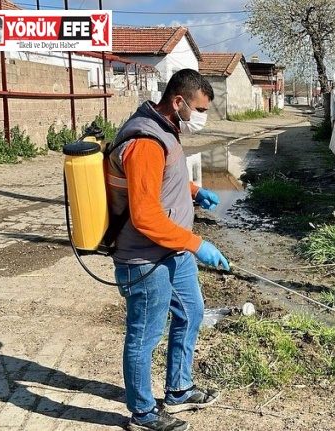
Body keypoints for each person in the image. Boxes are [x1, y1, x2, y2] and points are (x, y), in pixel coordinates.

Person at [106, 68, 229, 431]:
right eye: (200, 109)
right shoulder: (144, 140)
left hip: (172, 250)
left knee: (192, 313)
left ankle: (179, 389)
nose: (201, 117)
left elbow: (162, 175)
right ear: (178, 102)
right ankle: (143, 413)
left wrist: (192, 192)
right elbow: (144, 217)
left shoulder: (165, 128)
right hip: (144, 258)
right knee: (145, 334)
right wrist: (198, 244)